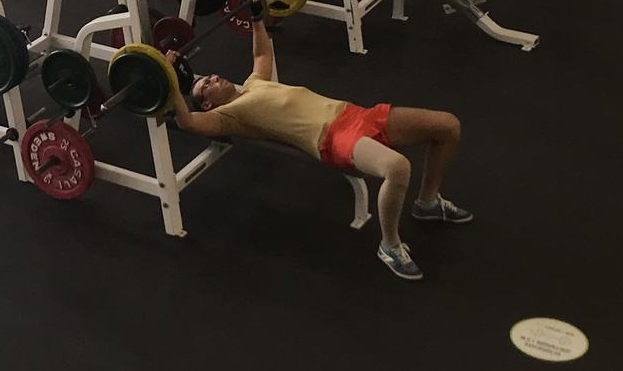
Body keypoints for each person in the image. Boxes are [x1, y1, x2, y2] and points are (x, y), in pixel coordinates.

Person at [170, 19, 469, 281]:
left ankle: (428, 202)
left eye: (209, 76)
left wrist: (257, 16)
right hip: (333, 137)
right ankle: (389, 245)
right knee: (397, 167)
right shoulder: (228, 116)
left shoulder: (253, 83)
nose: (212, 78)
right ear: (207, 104)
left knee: (447, 126)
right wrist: (170, 79)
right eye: (205, 86)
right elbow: (188, 122)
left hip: (356, 113)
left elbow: (261, 54)